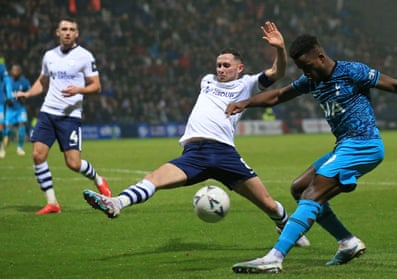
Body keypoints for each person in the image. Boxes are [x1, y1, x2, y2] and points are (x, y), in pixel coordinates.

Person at [226, 34, 397, 273]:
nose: (305, 73)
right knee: (299, 188)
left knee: (312, 194)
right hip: (345, 146)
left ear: (320, 56)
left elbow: (394, 85)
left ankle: (275, 257)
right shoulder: (311, 80)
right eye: (301, 68)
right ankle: (347, 242)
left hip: (364, 144)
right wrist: (246, 103)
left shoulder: (352, 71)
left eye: (307, 66)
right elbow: (278, 95)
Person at [82, 21, 310, 247]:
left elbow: (277, 72)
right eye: (219, 65)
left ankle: (287, 227)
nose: (220, 69)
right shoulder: (207, 81)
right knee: (153, 179)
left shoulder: (247, 84)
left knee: (269, 204)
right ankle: (117, 203)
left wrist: (279, 49)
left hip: (223, 153)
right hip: (194, 153)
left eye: (226, 65)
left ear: (239, 68)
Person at [16, 18, 112, 215]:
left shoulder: (85, 56)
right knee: (37, 155)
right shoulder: (49, 56)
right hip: (48, 113)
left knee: (73, 164)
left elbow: (97, 86)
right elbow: (42, 82)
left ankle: (98, 180)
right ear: (57, 32)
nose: (68, 32)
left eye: (72, 30)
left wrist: (79, 89)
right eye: (64, 29)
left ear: (77, 34)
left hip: (70, 117)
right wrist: (27, 94)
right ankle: (52, 202)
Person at [3, 64, 31, 156]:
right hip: (10, 110)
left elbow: (29, 92)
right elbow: (2, 91)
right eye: (14, 70)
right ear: (11, 71)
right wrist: (6, 99)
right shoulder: (7, 81)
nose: (15, 72)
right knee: (8, 130)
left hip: (20, 108)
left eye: (17, 70)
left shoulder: (24, 81)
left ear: (20, 72)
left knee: (22, 125)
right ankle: (3, 146)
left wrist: (24, 97)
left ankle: (20, 148)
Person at [0, 56, 12, 159]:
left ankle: (1, 147)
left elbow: (7, 80)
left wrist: (9, 96)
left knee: (0, 126)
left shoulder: (1, 67)